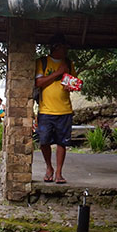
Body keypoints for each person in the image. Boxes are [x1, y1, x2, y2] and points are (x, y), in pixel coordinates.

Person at [35, 33, 76, 184]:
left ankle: (59, 172)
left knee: (62, 143)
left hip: (64, 110)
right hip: (46, 110)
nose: (66, 50)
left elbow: (72, 83)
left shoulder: (69, 64)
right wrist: (59, 73)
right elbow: (39, 83)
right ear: (56, 47)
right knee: (44, 142)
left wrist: (72, 85)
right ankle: (49, 167)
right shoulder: (42, 62)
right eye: (64, 47)